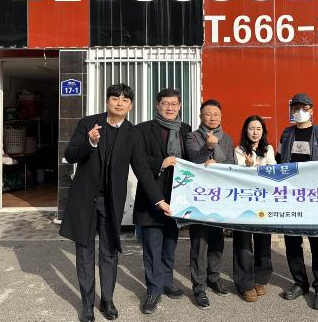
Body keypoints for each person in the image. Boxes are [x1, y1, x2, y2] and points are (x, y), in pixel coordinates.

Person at [60, 84, 171, 322]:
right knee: (84, 251)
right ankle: (87, 304)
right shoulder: (89, 123)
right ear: (107, 101)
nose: (119, 103)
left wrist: (159, 200)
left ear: (131, 105)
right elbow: (70, 155)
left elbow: (142, 169)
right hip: (84, 200)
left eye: (125, 100)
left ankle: (107, 300)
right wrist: (89, 143)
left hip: (111, 202)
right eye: (115, 98)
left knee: (109, 251)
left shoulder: (132, 133)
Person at [134, 88, 192, 314]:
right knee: (152, 248)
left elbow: (191, 160)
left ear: (180, 106)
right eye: (165, 103)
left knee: (170, 244)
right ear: (157, 105)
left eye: (174, 104)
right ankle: (153, 290)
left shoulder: (185, 129)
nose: (170, 108)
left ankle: (166, 281)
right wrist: (161, 162)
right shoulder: (142, 129)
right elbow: (138, 163)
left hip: (177, 198)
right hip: (152, 198)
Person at [278, 93, 318, 311]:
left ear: (311, 110)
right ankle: (300, 282)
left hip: (314, 197)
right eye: (296, 108)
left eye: (304, 107)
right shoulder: (286, 133)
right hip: (290, 197)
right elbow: (278, 161)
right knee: (292, 242)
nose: (299, 111)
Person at [185, 99, 235, 309]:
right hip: (200, 197)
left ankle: (213, 278)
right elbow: (194, 159)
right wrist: (208, 147)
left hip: (220, 197)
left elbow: (232, 163)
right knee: (199, 243)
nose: (212, 117)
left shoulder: (228, 138)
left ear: (221, 116)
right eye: (208, 114)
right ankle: (199, 287)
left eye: (216, 114)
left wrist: (218, 164)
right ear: (201, 116)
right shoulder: (192, 136)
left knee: (217, 241)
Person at [233, 115, 276, 303]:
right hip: (244, 202)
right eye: (251, 128)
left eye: (259, 129)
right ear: (246, 130)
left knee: (263, 241)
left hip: (264, 202)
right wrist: (250, 167)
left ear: (263, 131)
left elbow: (273, 169)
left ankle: (261, 279)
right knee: (243, 242)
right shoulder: (239, 150)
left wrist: (256, 166)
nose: (255, 132)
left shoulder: (269, 149)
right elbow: (240, 173)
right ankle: (245, 284)